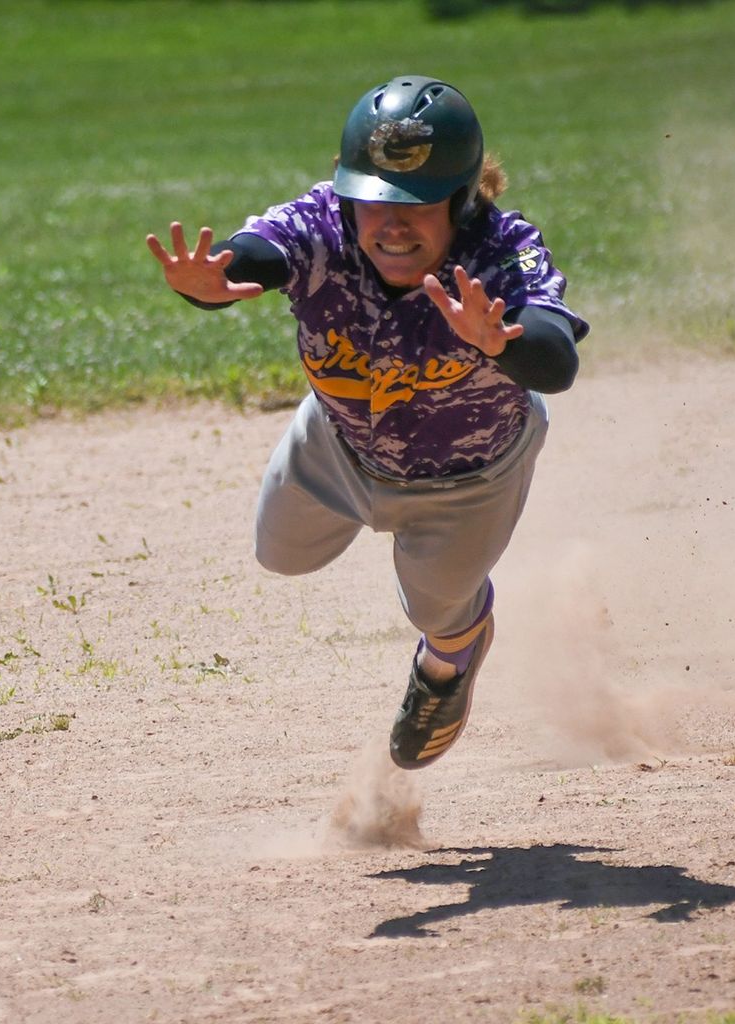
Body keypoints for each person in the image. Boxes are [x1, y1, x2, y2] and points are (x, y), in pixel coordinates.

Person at [146, 75, 588, 770]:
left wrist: (502, 342)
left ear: (463, 199)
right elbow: (256, 255)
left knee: (439, 612)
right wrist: (217, 279)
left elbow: (556, 360)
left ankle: (449, 665)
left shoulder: (502, 251)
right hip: (340, 445)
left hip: (470, 478)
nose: (391, 225)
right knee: (280, 554)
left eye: (416, 204)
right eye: (373, 201)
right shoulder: (326, 224)